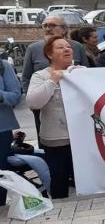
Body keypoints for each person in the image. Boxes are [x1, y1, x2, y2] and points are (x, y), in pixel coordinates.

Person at [26, 36, 84, 199]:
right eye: (60, 47)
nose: (66, 49)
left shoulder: (81, 72)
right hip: (56, 140)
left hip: (82, 139)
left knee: (85, 181)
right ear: (49, 54)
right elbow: (33, 103)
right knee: (59, 182)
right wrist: (52, 80)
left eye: (68, 47)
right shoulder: (40, 76)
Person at [21, 15, 89, 142]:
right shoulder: (33, 48)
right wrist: (34, 102)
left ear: (63, 29)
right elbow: (26, 77)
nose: (47, 28)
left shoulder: (77, 47)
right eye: (45, 25)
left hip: (75, 109)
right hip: (44, 106)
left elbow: (88, 74)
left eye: (52, 25)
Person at [0, 58, 22, 206]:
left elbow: (16, 95)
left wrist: (1, 95)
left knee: (2, 172)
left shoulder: (3, 66)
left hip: (2, 129)